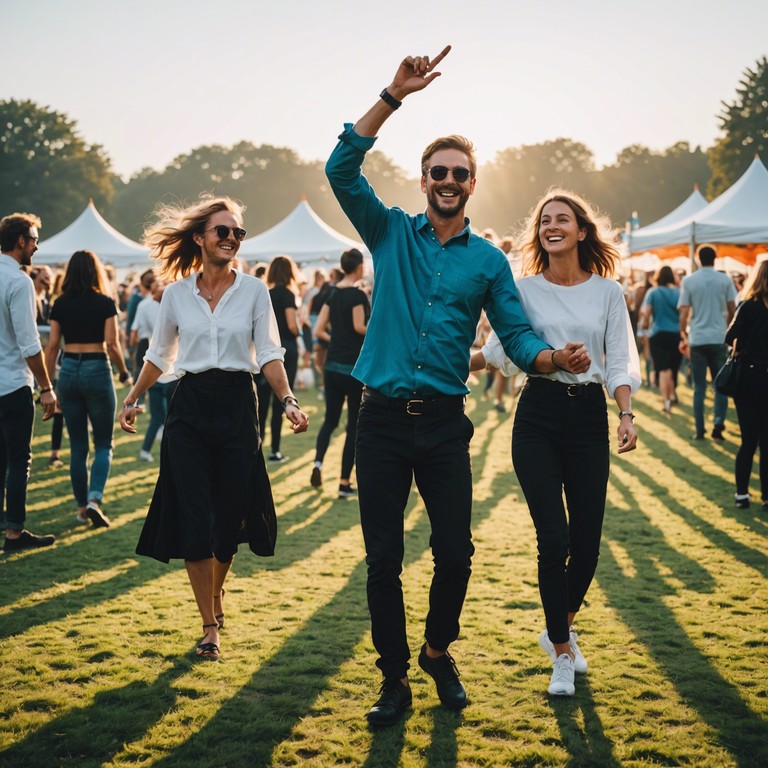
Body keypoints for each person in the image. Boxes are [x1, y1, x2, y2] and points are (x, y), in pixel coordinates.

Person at [326, 46, 590, 726]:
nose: (448, 180)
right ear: (423, 181)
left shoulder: (488, 261)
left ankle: (437, 651)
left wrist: (551, 360)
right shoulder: (387, 232)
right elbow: (340, 167)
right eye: (438, 171)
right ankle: (393, 680)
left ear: (472, 185)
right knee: (383, 559)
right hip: (381, 417)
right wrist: (393, 94)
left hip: (444, 422)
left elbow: (515, 335)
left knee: (456, 553)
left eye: (460, 174)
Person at [119, 195, 308, 663]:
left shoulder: (255, 291)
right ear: (201, 237)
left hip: (238, 407)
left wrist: (287, 400)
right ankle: (209, 626)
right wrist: (134, 396)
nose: (230, 238)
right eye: (222, 231)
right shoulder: (177, 294)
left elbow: (268, 352)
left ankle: (215, 593)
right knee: (194, 516)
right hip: (189, 408)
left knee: (228, 520)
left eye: (237, 232)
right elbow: (160, 355)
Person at [472, 190, 640, 697]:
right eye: (544, 220)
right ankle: (563, 654)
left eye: (562, 219)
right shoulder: (523, 290)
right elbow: (501, 350)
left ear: (582, 231)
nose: (551, 225)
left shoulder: (608, 293)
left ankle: (556, 629)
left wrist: (625, 413)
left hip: (589, 418)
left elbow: (619, 360)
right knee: (555, 540)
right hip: (538, 416)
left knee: (587, 545)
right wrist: (444, 365)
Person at [44, 250, 133, 528]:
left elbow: (53, 345)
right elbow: (111, 343)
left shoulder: (59, 303)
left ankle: (82, 509)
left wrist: (46, 384)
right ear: (96, 272)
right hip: (97, 367)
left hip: (68, 369)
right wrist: (123, 372)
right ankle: (95, 499)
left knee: (78, 447)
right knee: (104, 443)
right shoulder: (105, 302)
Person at [0, 212, 58, 551]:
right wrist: (47, 388)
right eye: (34, 239)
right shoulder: (19, 281)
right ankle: (14, 533)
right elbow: (29, 343)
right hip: (12, 385)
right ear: (21, 240)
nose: (37, 246)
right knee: (18, 459)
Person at [310, 248, 370, 497]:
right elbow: (359, 327)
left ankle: (318, 464)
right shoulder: (357, 295)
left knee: (329, 421)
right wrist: (379, 330)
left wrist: (336, 339)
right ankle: (344, 482)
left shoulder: (332, 293)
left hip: (332, 366)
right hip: (352, 369)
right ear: (358, 268)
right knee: (353, 426)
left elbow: (318, 331)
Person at [678, 246, 737, 441]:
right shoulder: (724, 280)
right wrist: (731, 334)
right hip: (719, 337)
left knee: (699, 387)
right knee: (720, 385)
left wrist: (683, 334)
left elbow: (684, 311)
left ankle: (700, 429)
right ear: (716, 258)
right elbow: (732, 309)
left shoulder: (689, 281)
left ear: (697, 258)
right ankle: (718, 424)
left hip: (698, 338)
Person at [724, 260, 768, 509]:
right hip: (756, 378)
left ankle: (743, 493)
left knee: (750, 439)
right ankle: (759, 494)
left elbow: (730, 337)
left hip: (749, 378)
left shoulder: (748, 307)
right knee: (760, 440)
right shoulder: (749, 306)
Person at [257, 255, 301, 462]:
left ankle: (257, 446)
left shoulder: (264, 293)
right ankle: (274, 450)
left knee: (261, 403)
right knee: (282, 401)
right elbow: (292, 324)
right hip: (286, 351)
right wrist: (300, 329)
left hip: (263, 351)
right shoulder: (288, 295)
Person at [130, 278, 173, 461]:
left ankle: (145, 450)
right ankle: (169, 454)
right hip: (170, 371)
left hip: (153, 364)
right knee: (172, 419)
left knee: (158, 418)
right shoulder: (173, 308)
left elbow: (137, 332)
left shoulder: (145, 306)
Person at [639, 265, 682, 416]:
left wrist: (644, 325)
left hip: (658, 334)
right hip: (676, 334)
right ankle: (672, 395)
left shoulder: (653, 292)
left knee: (663, 369)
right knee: (674, 368)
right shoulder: (679, 292)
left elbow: (646, 315)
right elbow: (684, 313)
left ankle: (667, 401)